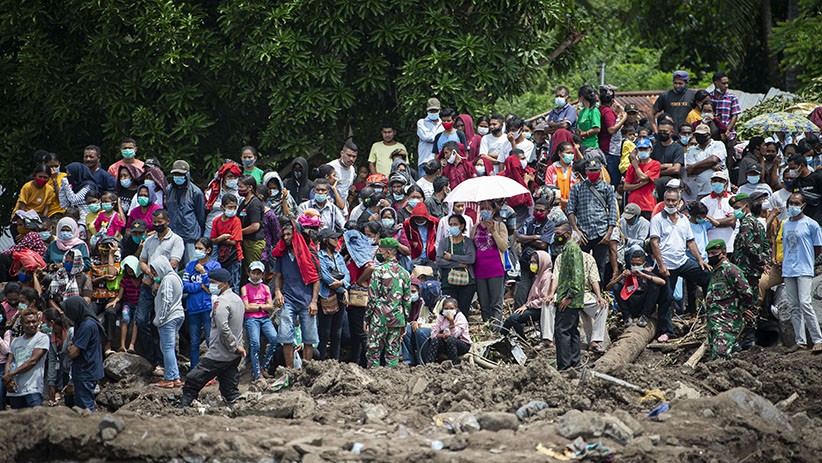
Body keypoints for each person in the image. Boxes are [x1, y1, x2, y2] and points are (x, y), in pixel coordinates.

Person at [179, 268, 247, 409]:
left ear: (224, 283)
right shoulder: (238, 300)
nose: (211, 285)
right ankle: (236, 407)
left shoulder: (221, 302)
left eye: (213, 282)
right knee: (229, 387)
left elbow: (223, 327)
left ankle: (184, 405)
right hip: (232, 354)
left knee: (193, 379)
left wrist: (234, 345)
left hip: (220, 353)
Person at [650, 189, 711, 341]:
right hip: (667, 264)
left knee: (706, 275)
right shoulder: (658, 219)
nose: (670, 203)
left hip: (682, 261)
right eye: (668, 200)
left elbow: (690, 241)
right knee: (667, 297)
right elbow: (654, 243)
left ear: (679, 203)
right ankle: (666, 331)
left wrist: (700, 260)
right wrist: (661, 265)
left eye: (673, 201)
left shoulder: (684, 219)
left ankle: (710, 314)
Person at [137, 209, 184, 371]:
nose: (157, 225)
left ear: (167, 221)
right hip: (147, 284)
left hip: (165, 286)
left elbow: (173, 263)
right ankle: (149, 357)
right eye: (154, 222)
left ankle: (162, 361)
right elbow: (142, 261)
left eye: (160, 222)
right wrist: (150, 273)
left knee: (162, 322)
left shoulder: (176, 240)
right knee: (141, 320)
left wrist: (157, 278)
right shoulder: (149, 240)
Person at [272, 220, 320, 368]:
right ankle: (289, 370)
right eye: (284, 235)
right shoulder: (282, 255)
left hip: (306, 300)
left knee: (309, 338)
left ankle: (306, 370)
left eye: (289, 234)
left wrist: (314, 301)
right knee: (285, 336)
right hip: (289, 299)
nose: (286, 237)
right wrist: (278, 291)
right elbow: (278, 276)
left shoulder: (309, 254)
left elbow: (316, 279)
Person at [781, 193, 822, 353]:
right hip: (788, 268)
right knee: (793, 306)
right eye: (791, 203)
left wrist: (809, 259)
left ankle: (818, 339)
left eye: (797, 203)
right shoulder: (785, 224)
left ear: (803, 205)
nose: (793, 206)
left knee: (805, 302)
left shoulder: (811, 224)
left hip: (804, 268)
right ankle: (800, 340)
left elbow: (818, 247)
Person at [704, 240, 755, 359]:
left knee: (720, 355)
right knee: (715, 355)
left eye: (714, 253)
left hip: (727, 321)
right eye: (709, 254)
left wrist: (743, 309)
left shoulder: (731, 270)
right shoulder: (715, 272)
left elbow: (746, 293)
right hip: (713, 323)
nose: (711, 256)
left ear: (723, 252)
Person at [567, 158, 617, 281]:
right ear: (586, 171)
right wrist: (576, 230)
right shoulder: (577, 188)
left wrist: (609, 233)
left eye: (595, 170)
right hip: (583, 232)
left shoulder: (607, 188)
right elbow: (570, 210)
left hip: (601, 232)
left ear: (600, 171)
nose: (593, 173)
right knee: (580, 265)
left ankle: (598, 294)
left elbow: (613, 211)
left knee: (600, 266)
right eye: (590, 170)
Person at [366, 238, 411, 368]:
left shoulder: (378, 271)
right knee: (393, 351)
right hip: (397, 318)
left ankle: (372, 380)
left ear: (389, 253)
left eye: (380, 251)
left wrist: (367, 318)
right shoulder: (405, 273)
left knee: (373, 351)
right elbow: (407, 301)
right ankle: (391, 380)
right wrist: (405, 320)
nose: (378, 254)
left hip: (379, 318)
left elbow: (372, 298)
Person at [548, 222, 584, 370]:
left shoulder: (572, 249)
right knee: (571, 330)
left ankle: (564, 365)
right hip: (571, 298)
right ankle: (574, 363)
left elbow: (577, 275)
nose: (556, 237)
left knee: (562, 331)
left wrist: (569, 296)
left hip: (569, 299)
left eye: (558, 234)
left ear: (567, 234)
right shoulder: (568, 249)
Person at [182, 238, 220, 368]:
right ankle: (194, 369)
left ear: (208, 250)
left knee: (211, 340)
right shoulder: (190, 266)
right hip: (193, 308)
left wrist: (203, 273)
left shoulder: (215, 266)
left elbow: (213, 287)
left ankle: (212, 370)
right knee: (194, 341)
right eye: (196, 248)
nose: (197, 251)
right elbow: (185, 286)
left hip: (208, 307)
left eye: (200, 249)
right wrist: (200, 286)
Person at [63, 296, 104, 411]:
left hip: (86, 372)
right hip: (85, 371)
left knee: (85, 407)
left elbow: (73, 353)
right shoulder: (82, 323)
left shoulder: (87, 325)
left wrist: (71, 345)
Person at [471, 201, 508, 331]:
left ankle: (496, 330)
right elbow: (471, 246)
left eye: (488, 208)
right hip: (479, 270)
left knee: (496, 303)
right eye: (482, 208)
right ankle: (488, 328)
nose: (485, 211)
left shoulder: (500, 226)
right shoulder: (475, 227)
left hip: (495, 269)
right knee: (484, 303)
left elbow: (503, 246)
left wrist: (493, 231)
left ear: (493, 211)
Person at [3, 308, 49, 409]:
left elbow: (32, 361)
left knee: (36, 421)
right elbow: (9, 361)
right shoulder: (16, 341)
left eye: (34, 321)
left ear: (38, 322)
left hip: (33, 389)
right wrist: (8, 380)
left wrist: (11, 374)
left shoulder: (42, 338)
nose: (31, 325)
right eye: (28, 322)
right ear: (22, 324)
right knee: (17, 423)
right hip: (15, 391)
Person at [150, 255, 184, 388]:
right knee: (169, 347)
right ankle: (175, 377)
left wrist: (160, 319)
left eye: (155, 272)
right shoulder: (175, 277)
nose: (154, 275)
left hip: (169, 318)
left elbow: (166, 301)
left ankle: (169, 378)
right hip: (177, 315)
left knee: (167, 347)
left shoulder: (168, 280)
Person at [608, 248, 665, 327]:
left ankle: (644, 316)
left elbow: (662, 282)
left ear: (644, 264)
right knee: (616, 286)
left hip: (644, 303)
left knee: (655, 286)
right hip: (631, 302)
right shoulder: (626, 274)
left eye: (638, 264)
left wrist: (643, 274)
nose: (635, 267)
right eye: (633, 264)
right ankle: (627, 316)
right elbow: (609, 287)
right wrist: (620, 277)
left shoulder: (646, 274)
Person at [503, 250, 553, 340]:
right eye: (531, 262)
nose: (532, 265)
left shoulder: (547, 277)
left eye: (535, 262)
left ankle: (523, 339)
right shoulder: (538, 276)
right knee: (511, 318)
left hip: (539, 308)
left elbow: (543, 299)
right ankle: (502, 336)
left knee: (513, 318)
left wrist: (527, 305)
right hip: (533, 306)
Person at [316, 229, 350, 361]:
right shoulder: (320, 256)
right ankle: (321, 361)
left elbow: (347, 274)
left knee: (337, 332)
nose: (336, 241)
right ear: (325, 240)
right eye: (333, 238)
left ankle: (335, 360)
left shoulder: (338, 256)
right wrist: (343, 288)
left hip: (339, 296)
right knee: (324, 332)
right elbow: (326, 277)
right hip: (326, 296)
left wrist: (342, 283)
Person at [241, 261, 277, 381]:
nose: (255, 276)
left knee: (274, 339)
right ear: (249, 273)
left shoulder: (265, 288)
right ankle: (257, 374)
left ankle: (264, 367)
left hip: (264, 318)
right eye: (253, 273)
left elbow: (271, 306)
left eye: (258, 273)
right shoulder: (245, 288)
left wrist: (255, 306)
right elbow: (246, 307)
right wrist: (262, 307)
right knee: (255, 344)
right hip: (251, 319)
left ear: (262, 275)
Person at [515, 199, 554, 308]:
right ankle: (518, 314)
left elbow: (543, 245)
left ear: (548, 211)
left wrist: (527, 239)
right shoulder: (529, 221)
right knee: (522, 289)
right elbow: (518, 237)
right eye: (536, 210)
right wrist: (535, 237)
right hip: (526, 260)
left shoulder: (549, 225)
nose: (538, 213)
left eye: (541, 211)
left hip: (541, 264)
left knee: (539, 289)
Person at [166, 160, 206, 266]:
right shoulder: (169, 189)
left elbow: (201, 215)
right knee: (173, 265)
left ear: (187, 174)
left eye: (181, 174)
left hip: (190, 234)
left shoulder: (196, 192)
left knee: (191, 265)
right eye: (175, 174)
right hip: (173, 233)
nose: (178, 177)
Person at [436, 214, 477, 316]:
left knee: (463, 311)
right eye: (450, 224)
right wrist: (458, 264)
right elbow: (439, 260)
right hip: (448, 282)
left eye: (455, 224)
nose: (452, 227)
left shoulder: (468, 242)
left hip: (467, 283)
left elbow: (471, 259)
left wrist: (451, 257)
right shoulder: (444, 242)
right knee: (449, 312)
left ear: (462, 226)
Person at [12, 164, 62, 236]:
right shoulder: (27, 187)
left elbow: (46, 209)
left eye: (45, 178)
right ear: (35, 175)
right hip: (22, 219)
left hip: (37, 221)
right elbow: (21, 207)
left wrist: (43, 224)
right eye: (40, 177)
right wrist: (23, 226)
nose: (42, 179)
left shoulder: (49, 190)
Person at [684, 124, 727, 201]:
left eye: (702, 135)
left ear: (709, 135)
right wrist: (711, 166)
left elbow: (714, 159)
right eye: (697, 135)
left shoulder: (718, 144)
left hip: (721, 190)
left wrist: (694, 165)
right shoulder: (692, 151)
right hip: (703, 192)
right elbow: (691, 171)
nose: (699, 137)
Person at [210, 194, 243, 294]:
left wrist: (220, 239)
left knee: (234, 284)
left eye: (234, 207)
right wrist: (222, 238)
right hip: (221, 256)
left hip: (234, 257)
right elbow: (212, 240)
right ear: (222, 207)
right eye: (230, 207)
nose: (232, 209)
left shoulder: (236, 221)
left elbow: (234, 241)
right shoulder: (216, 221)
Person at [236, 175, 265, 284]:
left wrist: (238, 232)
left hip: (253, 243)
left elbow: (255, 226)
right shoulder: (243, 203)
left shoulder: (254, 204)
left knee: (254, 272)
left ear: (250, 188)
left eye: (241, 187)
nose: (239, 189)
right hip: (245, 242)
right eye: (238, 187)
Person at [425, 297, 471, 364]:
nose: (449, 311)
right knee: (435, 340)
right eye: (446, 309)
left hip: (461, 344)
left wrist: (451, 321)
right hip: (446, 343)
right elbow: (433, 334)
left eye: (451, 308)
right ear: (443, 309)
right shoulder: (441, 317)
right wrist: (442, 335)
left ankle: (453, 365)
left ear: (456, 309)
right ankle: (429, 364)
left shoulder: (460, 317)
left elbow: (455, 335)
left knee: (451, 340)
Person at [624, 138, 661, 219]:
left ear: (651, 149)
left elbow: (643, 177)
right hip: (633, 204)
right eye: (640, 149)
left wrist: (636, 166)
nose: (643, 151)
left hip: (648, 205)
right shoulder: (631, 166)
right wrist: (641, 184)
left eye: (645, 149)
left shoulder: (655, 164)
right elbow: (626, 187)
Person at [701, 171, 737, 254]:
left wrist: (712, 222)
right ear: (711, 183)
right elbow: (702, 221)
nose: (717, 183)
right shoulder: (704, 201)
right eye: (715, 181)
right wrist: (724, 221)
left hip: (729, 243)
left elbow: (732, 220)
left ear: (726, 184)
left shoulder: (732, 199)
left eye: (720, 181)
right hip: (710, 243)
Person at [651, 120, 684, 200]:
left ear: (671, 132)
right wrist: (666, 166)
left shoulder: (677, 148)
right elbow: (649, 166)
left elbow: (676, 169)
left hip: (671, 183)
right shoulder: (654, 147)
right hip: (655, 183)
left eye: (665, 131)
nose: (662, 133)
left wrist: (657, 171)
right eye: (660, 131)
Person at [787, 153, 822, 226]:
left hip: (818, 221)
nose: (791, 171)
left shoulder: (817, 178)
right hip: (802, 222)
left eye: (793, 168)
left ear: (802, 166)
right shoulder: (796, 182)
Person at [544, 142, 579, 210]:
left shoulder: (575, 168)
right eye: (568, 153)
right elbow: (549, 188)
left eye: (572, 153)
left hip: (574, 206)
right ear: (560, 154)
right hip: (556, 207)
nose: (570, 155)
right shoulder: (552, 169)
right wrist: (561, 200)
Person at [709, 72, 742, 143]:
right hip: (711, 134)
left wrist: (726, 130)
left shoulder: (731, 98)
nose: (726, 86)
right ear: (716, 84)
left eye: (727, 83)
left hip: (728, 135)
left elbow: (735, 116)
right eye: (723, 83)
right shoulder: (709, 97)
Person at [576, 86, 601, 150]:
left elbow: (597, 129)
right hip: (581, 145)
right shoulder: (582, 112)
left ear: (581, 97)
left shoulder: (594, 111)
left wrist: (584, 134)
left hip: (591, 146)